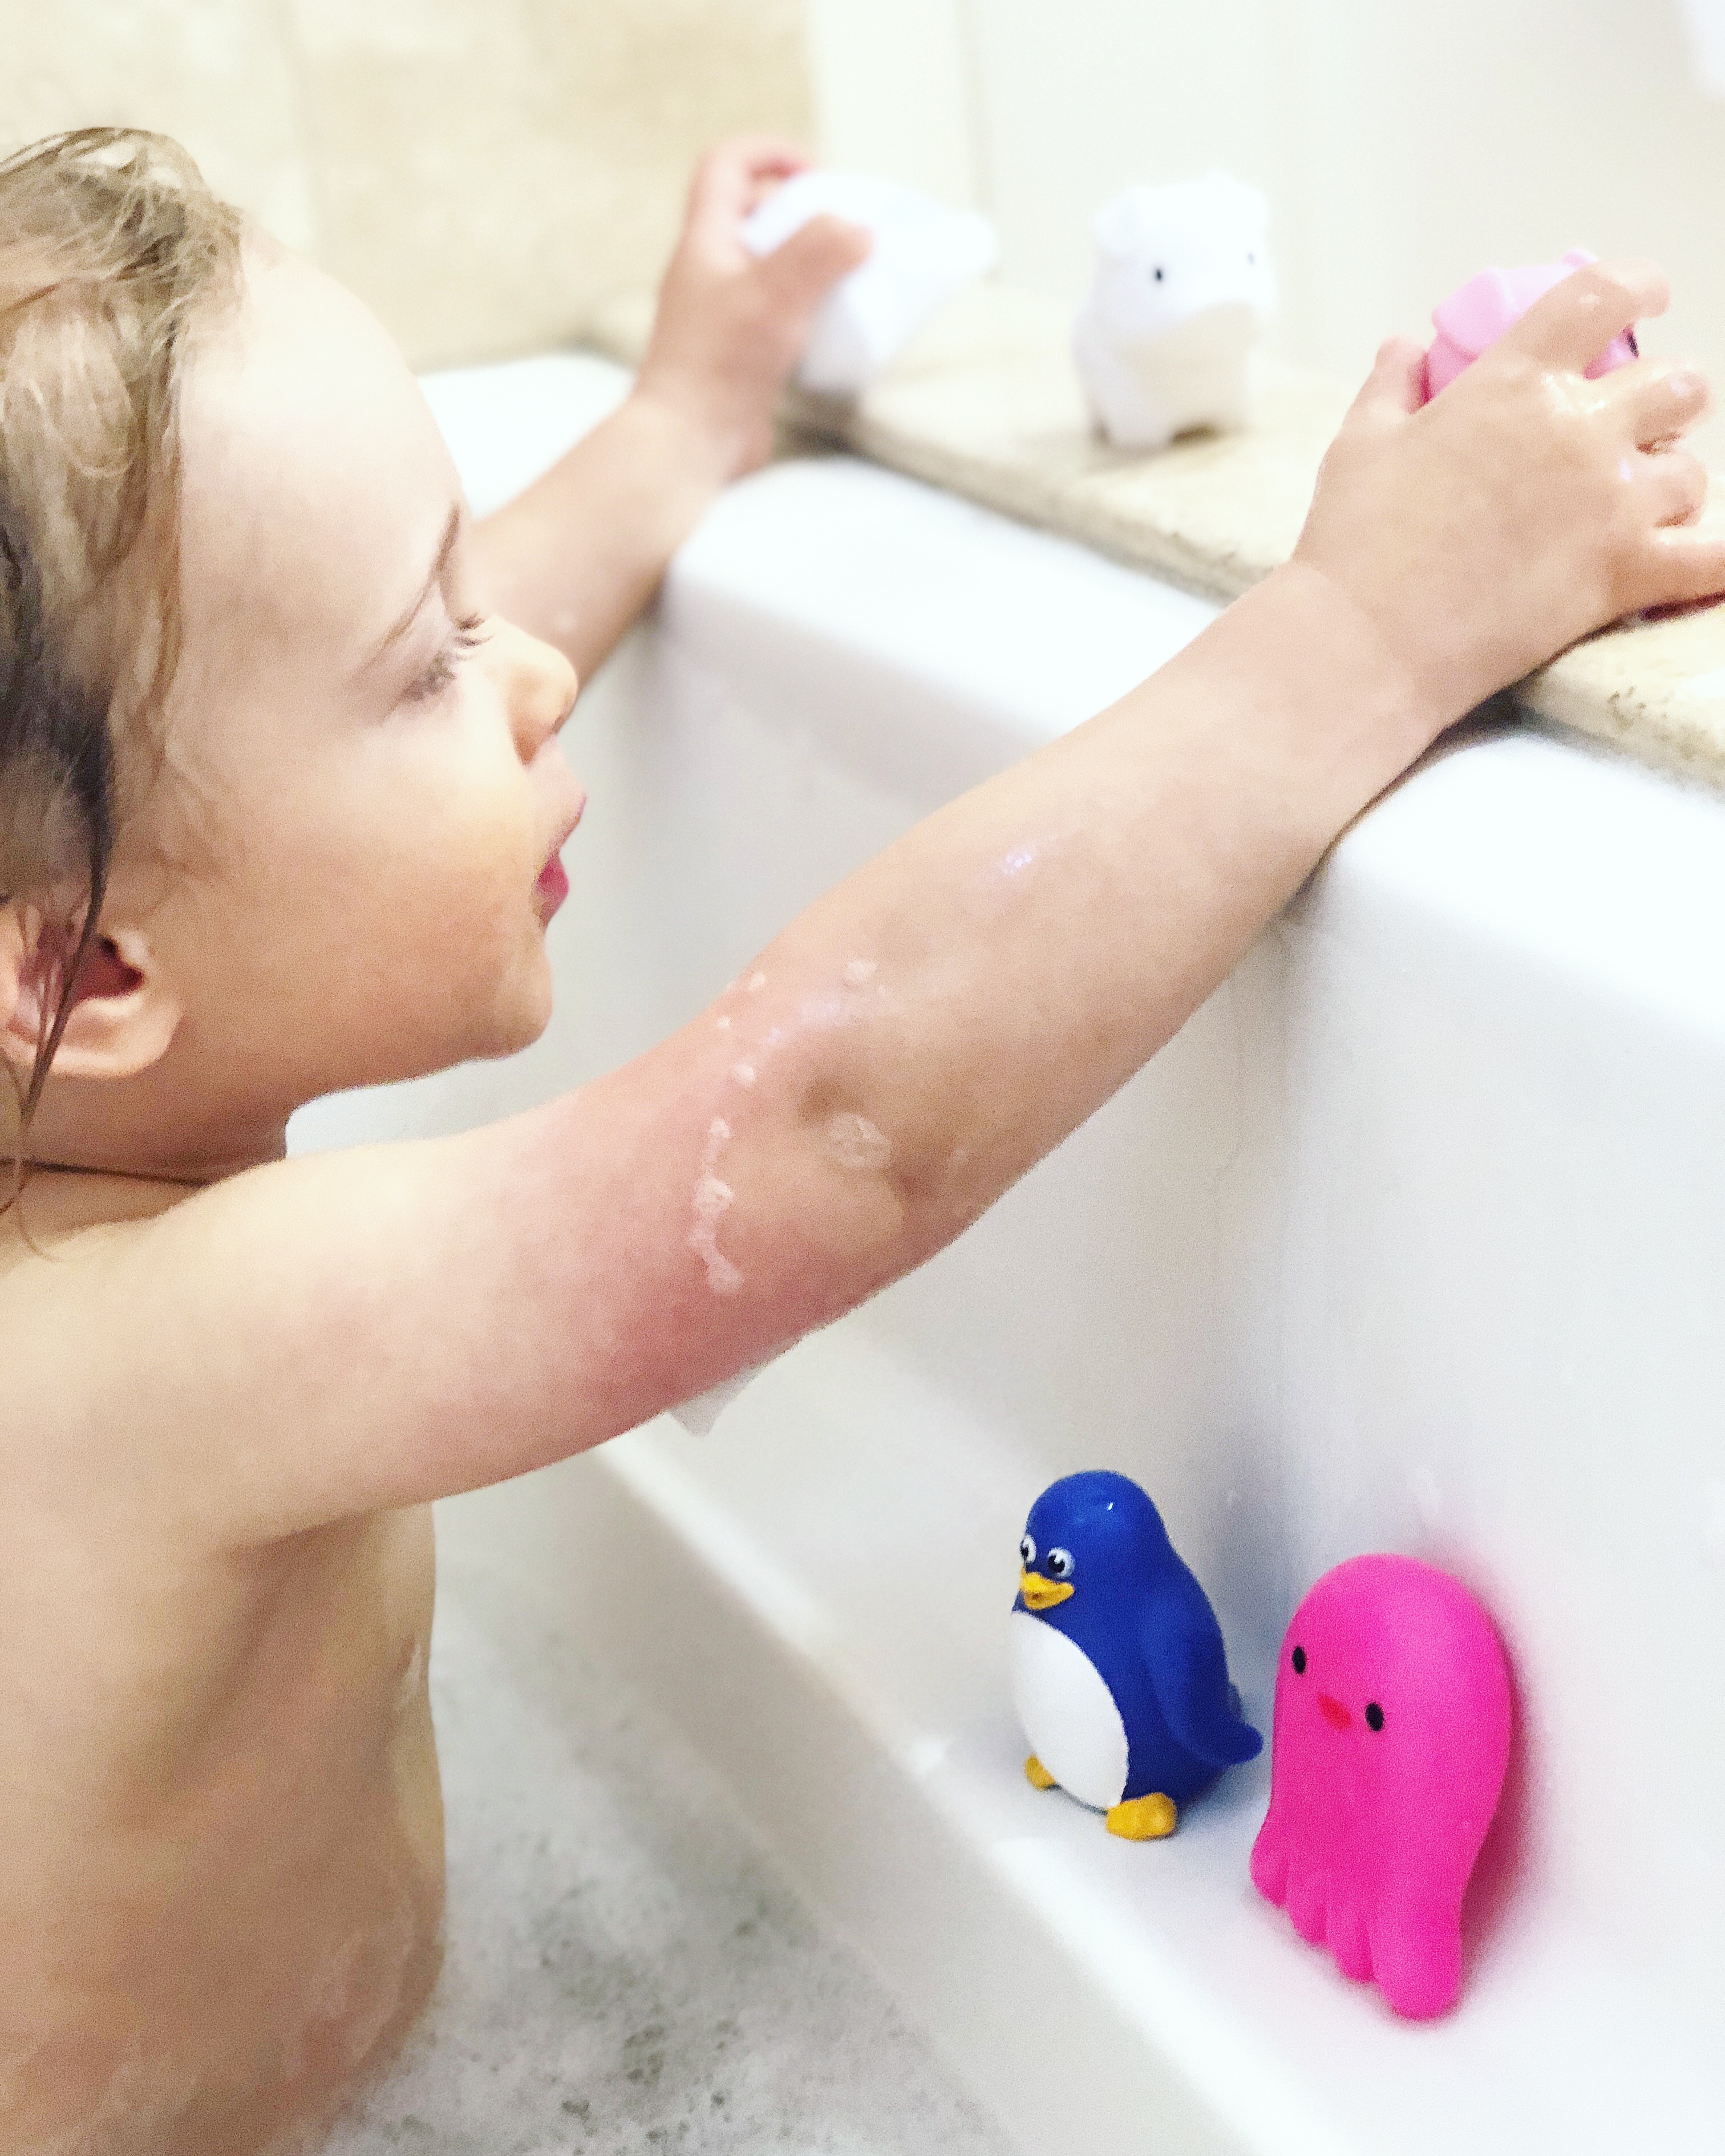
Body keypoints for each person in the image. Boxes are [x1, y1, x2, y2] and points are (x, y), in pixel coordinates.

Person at [0, 124, 1717, 2156]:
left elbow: (299, 737)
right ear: (90, 971)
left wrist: (678, 421)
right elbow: (828, 1129)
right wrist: (1373, 625)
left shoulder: (130, 1083)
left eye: (477, 596)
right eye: (434, 657)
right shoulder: (119, 1359)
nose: (528, 671)